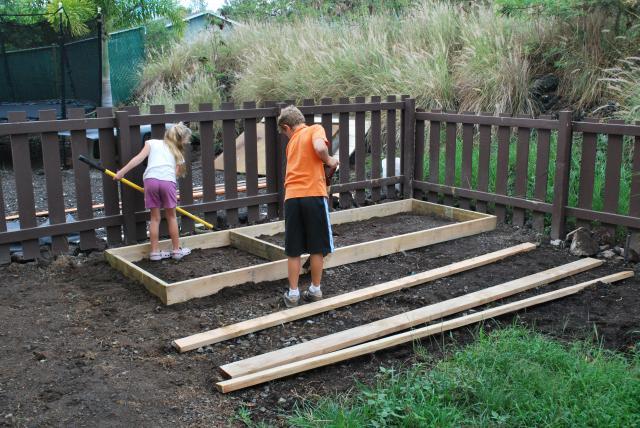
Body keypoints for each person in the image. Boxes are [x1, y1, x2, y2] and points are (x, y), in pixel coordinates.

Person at [277, 106, 339, 307]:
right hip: (313, 194)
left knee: (293, 248)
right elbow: (320, 149)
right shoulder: (315, 129)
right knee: (317, 246)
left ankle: (293, 294)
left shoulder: (291, 144)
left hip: (292, 197)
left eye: (284, 133)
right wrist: (330, 160)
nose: (287, 137)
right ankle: (315, 290)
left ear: (287, 127)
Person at [114, 123, 192, 261]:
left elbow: (137, 159)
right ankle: (176, 251)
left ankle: (155, 253)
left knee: (155, 218)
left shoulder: (151, 143)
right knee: (172, 217)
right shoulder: (178, 152)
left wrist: (121, 172)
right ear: (180, 140)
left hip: (150, 181)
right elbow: (175, 174)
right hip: (168, 182)